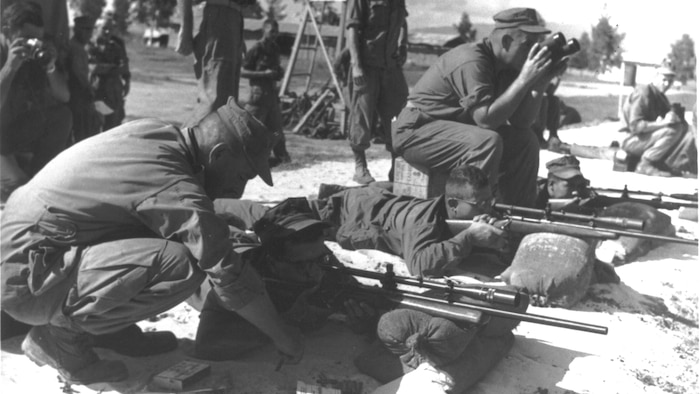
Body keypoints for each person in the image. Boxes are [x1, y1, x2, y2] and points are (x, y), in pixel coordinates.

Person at [0, 98, 304, 385]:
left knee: (172, 237)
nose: (238, 190)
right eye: (242, 176)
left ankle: (106, 331)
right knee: (183, 264)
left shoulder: (156, 134)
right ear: (218, 154)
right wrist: (284, 338)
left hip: (26, 253)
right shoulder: (173, 180)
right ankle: (60, 342)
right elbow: (226, 269)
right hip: (27, 281)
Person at [391, 8, 566, 207]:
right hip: (417, 131)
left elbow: (521, 123)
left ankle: (519, 212)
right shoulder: (472, 59)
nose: (531, 54)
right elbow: (486, 121)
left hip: (453, 132)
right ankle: (474, 216)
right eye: (527, 46)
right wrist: (525, 79)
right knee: (487, 142)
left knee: (527, 141)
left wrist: (539, 82)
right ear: (506, 42)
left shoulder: (507, 67)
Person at [312, 164, 509, 278]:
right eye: (480, 203)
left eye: (489, 200)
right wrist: (468, 237)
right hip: (352, 210)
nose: (487, 208)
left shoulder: (460, 213)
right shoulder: (423, 221)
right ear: (453, 204)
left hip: (382, 200)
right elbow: (418, 265)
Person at [0, 1, 72, 202]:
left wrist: (50, 67)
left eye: (37, 39)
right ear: (6, 31)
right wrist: (9, 67)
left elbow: (64, 97)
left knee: (62, 116)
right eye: (26, 38)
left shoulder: (34, 55)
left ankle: (40, 177)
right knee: (18, 189)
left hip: (10, 134)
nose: (32, 45)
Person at [345, 0, 409, 184]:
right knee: (361, 117)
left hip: (390, 67)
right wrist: (356, 66)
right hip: (367, 66)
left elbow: (403, 22)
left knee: (398, 117)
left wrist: (403, 45)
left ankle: (395, 167)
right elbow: (352, 30)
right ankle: (360, 167)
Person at [176, 0, 254, 125]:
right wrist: (186, 27)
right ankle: (191, 141)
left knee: (228, 104)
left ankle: (212, 142)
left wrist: (238, 34)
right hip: (214, 14)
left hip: (234, 16)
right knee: (214, 101)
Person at [619, 66, 688, 177]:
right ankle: (645, 164)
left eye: (670, 81)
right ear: (654, 78)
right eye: (664, 80)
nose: (667, 84)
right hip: (629, 139)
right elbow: (635, 126)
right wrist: (663, 123)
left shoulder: (660, 96)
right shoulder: (643, 92)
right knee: (673, 130)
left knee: (682, 127)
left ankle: (657, 161)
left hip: (642, 138)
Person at [241, 19, 290, 167]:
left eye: (276, 31)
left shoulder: (274, 48)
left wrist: (278, 73)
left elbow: (276, 68)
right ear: (264, 30)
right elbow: (243, 71)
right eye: (271, 31)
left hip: (272, 94)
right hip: (258, 95)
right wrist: (264, 73)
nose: (274, 35)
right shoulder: (257, 48)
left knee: (276, 128)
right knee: (252, 129)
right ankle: (245, 159)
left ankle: (283, 158)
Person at [89, 13, 130, 130]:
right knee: (94, 129)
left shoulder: (116, 45)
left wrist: (127, 80)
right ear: (97, 28)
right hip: (96, 93)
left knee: (113, 128)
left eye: (110, 29)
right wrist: (115, 69)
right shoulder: (90, 45)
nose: (107, 32)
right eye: (104, 28)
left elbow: (125, 66)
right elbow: (94, 68)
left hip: (114, 94)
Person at [67, 15, 102, 143]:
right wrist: (90, 92)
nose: (89, 33)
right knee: (84, 137)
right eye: (85, 29)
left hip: (80, 99)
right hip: (78, 99)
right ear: (76, 29)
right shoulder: (75, 48)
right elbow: (79, 76)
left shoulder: (81, 47)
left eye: (91, 29)